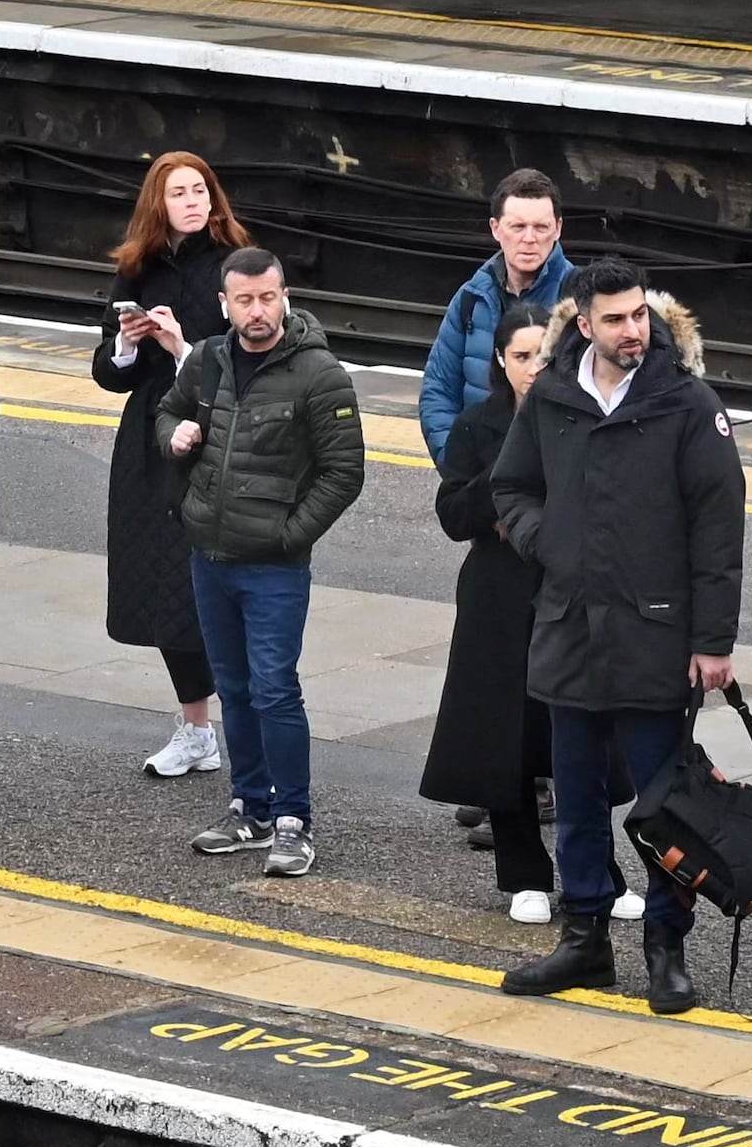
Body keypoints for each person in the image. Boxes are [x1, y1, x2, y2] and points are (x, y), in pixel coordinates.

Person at [494, 257, 745, 1016]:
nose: (633, 329)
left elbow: (719, 523)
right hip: (570, 626)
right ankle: (585, 939)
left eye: (640, 315)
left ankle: (665, 947)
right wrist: (550, 543)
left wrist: (715, 639)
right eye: (616, 318)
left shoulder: (687, 402)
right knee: (575, 797)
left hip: (657, 633)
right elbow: (511, 486)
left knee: (661, 805)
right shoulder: (554, 397)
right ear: (585, 321)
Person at [162, 243, 369, 877]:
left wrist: (289, 535)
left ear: (285, 297)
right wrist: (173, 435)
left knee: (276, 690)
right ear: (225, 304)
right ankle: (250, 807)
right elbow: (168, 410)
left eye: (269, 297)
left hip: (273, 565)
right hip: (210, 556)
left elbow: (344, 472)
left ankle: (293, 820)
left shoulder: (319, 373)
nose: (259, 311)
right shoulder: (207, 360)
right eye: (246, 300)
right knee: (236, 688)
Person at [96, 151, 247, 778]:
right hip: (147, 438)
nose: (192, 201)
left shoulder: (234, 266)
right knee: (155, 581)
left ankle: (229, 720)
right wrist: (129, 345)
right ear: (158, 204)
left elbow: (245, 360)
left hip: (215, 434)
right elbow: (106, 373)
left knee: (204, 583)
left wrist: (182, 345)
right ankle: (196, 727)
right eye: (179, 193)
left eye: (200, 190)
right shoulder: (138, 267)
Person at [422, 310, 563, 921]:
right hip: (497, 601)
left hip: (565, 592)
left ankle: (598, 871)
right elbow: (454, 514)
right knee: (507, 736)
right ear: (501, 362)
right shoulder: (479, 426)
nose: (534, 369)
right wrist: (504, 472)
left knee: (576, 737)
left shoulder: (579, 419)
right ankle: (524, 874)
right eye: (521, 357)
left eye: (544, 356)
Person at [419, 170, 582, 475]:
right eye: (518, 226)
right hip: (478, 482)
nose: (529, 238)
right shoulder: (471, 298)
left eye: (541, 227)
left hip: (551, 489)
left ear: (558, 228)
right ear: (496, 228)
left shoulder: (580, 300)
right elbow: (439, 390)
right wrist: (456, 465)